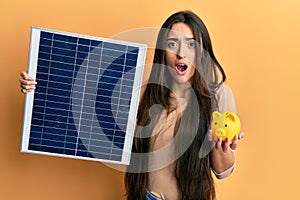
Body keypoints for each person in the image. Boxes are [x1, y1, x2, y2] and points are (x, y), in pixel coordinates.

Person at [20, 10, 244, 200]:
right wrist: (38, 86)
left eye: (191, 44)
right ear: (162, 51)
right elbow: (83, 100)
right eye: (172, 43)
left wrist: (220, 148)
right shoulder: (145, 90)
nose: (180, 53)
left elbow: (223, 171)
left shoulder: (219, 96)